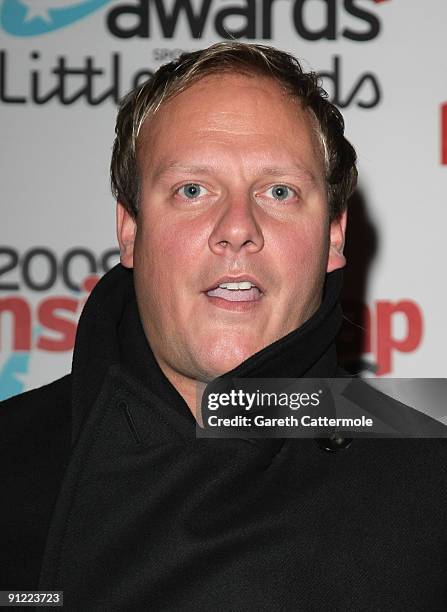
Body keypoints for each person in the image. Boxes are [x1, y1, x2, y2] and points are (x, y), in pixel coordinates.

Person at [1, 42, 446, 610]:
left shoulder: (432, 465)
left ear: (335, 235)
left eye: (278, 191)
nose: (237, 228)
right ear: (130, 230)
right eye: (192, 190)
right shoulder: (10, 453)